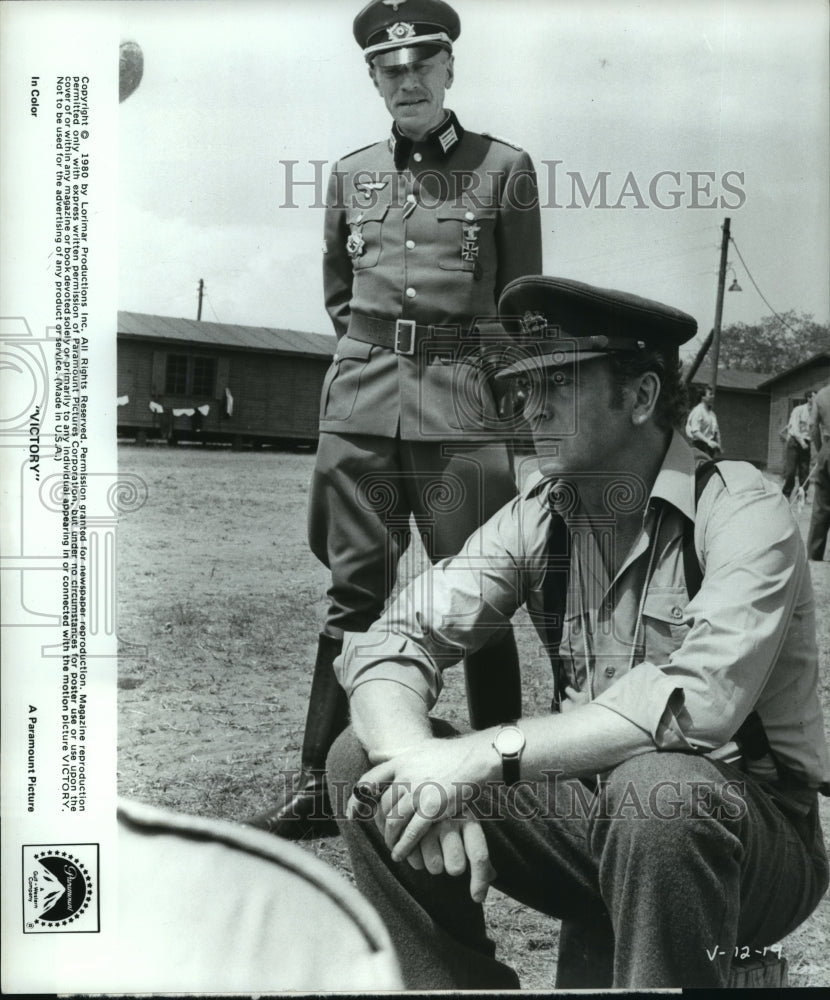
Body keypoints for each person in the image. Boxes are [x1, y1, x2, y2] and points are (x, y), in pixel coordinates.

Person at [327, 275, 830, 990]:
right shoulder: (543, 512)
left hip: (747, 836)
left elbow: (699, 704)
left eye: (557, 382)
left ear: (641, 396)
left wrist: (474, 759)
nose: (531, 407)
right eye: (523, 387)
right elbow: (394, 639)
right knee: (365, 766)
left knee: (662, 794)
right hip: (597, 815)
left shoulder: (744, 511)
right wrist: (418, 768)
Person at [248, 0, 542, 839]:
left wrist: (517, 432)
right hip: (364, 404)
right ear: (373, 78)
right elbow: (342, 302)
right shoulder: (351, 175)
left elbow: (521, 314)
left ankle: (497, 778)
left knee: (479, 594)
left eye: (421, 65)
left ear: (449, 69)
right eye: (390, 69)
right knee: (354, 595)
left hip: (463, 411)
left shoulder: (505, 169)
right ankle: (317, 778)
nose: (406, 80)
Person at [807, 383, 830, 560]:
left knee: (821, 503)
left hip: (826, 448)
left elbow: (812, 425)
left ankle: (815, 552)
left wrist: (821, 449)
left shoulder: (821, 394)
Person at [782, 390, 815, 500]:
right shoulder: (799, 410)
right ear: (809, 398)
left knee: (804, 472)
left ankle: (801, 495)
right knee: (791, 471)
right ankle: (786, 494)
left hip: (806, 443)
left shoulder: (816, 413)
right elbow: (794, 428)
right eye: (815, 397)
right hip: (795, 442)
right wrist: (801, 441)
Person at [685, 383, 721, 457]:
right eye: (710, 394)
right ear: (703, 397)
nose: (713, 396)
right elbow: (695, 431)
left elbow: (716, 431)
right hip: (699, 447)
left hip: (709, 449)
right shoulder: (698, 411)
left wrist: (718, 445)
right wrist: (708, 441)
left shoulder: (711, 413)